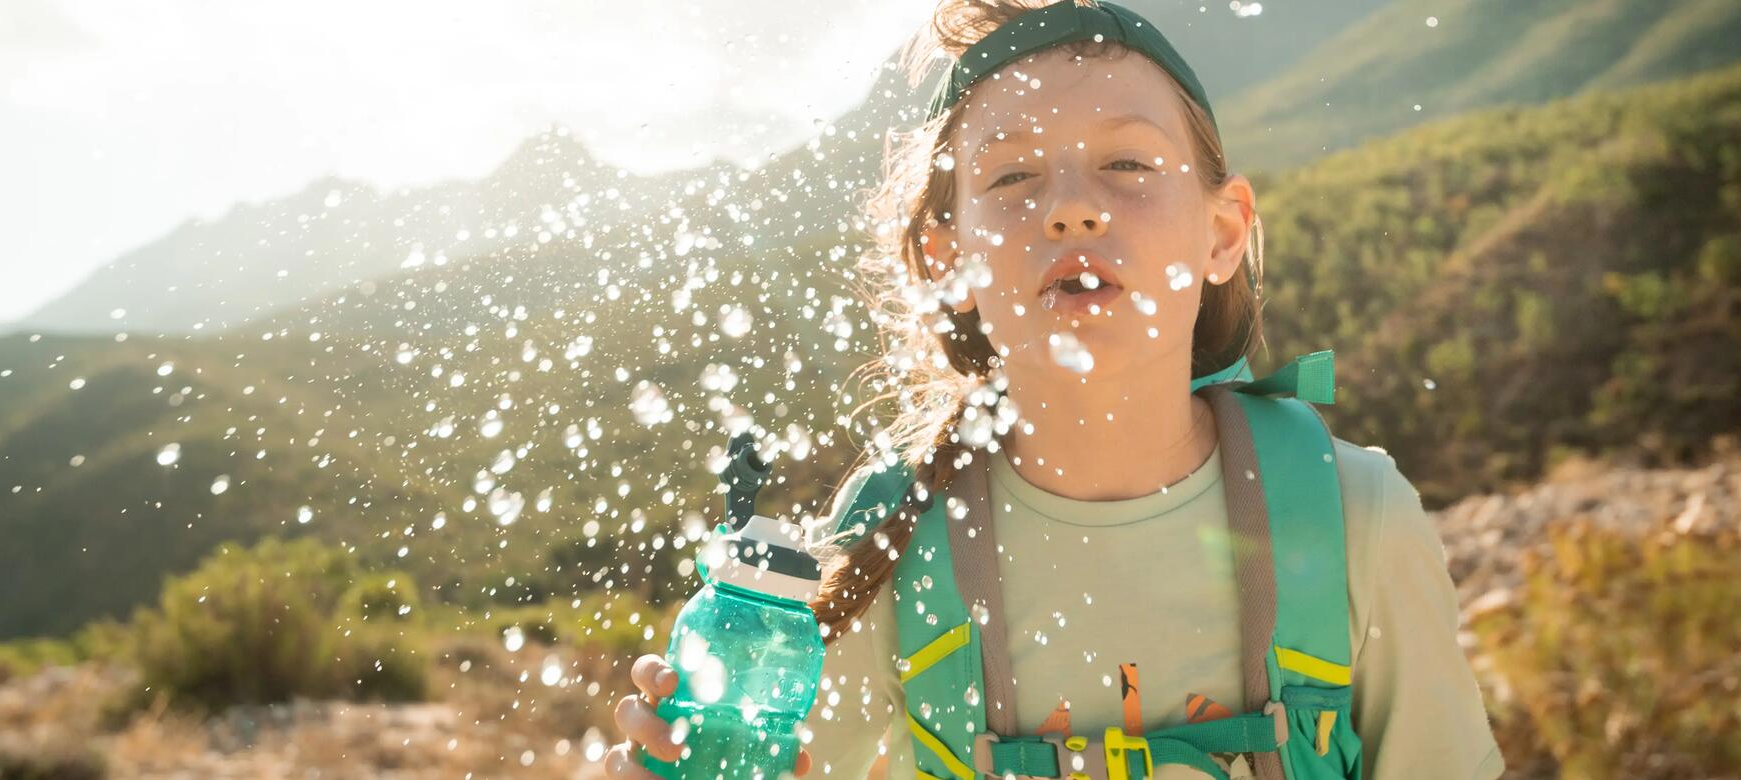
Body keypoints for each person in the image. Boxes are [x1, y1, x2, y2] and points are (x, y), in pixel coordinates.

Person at [607, 0, 1503, 777]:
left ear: (1223, 232)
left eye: (1129, 165)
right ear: (943, 259)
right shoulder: (899, 534)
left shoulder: (1355, 516)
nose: (1071, 207)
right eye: (1012, 176)